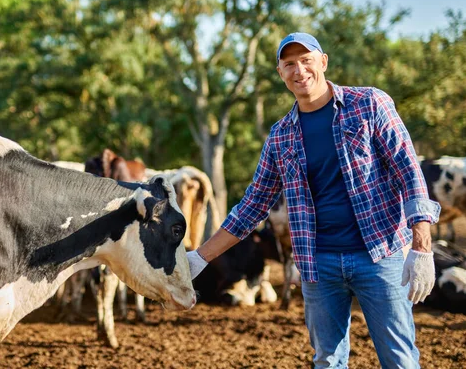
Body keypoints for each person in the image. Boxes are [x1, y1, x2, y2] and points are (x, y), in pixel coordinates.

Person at [187, 32, 441, 368]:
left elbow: (408, 171)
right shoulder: (281, 136)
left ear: (323, 62)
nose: (299, 70)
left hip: (380, 255)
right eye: (289, 64)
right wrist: (200, 258)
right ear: (280, 73)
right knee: (327, 360)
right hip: (317, 265)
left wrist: (421, 246)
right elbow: (252, 207)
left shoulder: (370, 105)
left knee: (399, 358)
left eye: (306, 60)